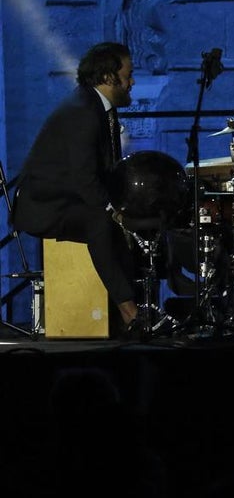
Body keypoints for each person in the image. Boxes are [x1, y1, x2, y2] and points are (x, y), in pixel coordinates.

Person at [13, 41, 141, 334]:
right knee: (100, 221)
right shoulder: (83, 111)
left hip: (69, 198)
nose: (132, 82)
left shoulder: (96, 106)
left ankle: (135, 307)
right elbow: (84, 177)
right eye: (128, 74)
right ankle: (129, 311)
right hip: (46, 205)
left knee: (122, 221)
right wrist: (114, 212)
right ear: (109, 77)